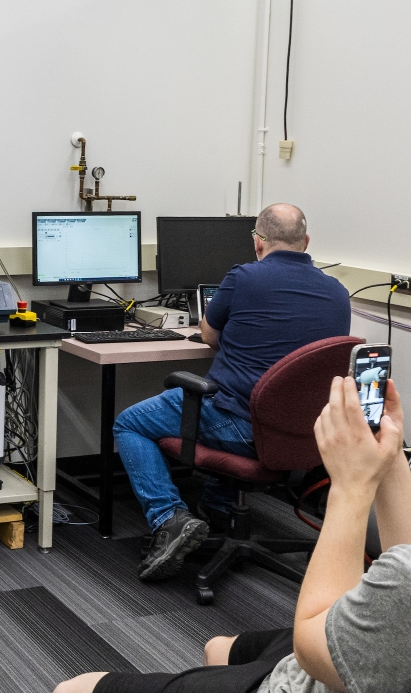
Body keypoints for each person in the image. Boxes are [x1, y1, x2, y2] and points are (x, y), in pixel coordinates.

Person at [56, 281, 411, 693]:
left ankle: (167, 516)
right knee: (221, 646)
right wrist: (390, 458)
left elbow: (314, 646)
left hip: (313, 674)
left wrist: (353, 486)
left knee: (72, 686)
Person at [114, 203, 350, 581]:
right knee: (230, 403)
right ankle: (218, 510)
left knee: (129, 423)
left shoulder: (244, 278)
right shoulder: (338, 292)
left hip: (240, 427)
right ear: (306, 242)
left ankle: (169, 517)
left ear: (258, 243)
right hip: (302, 436)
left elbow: (208, 335)